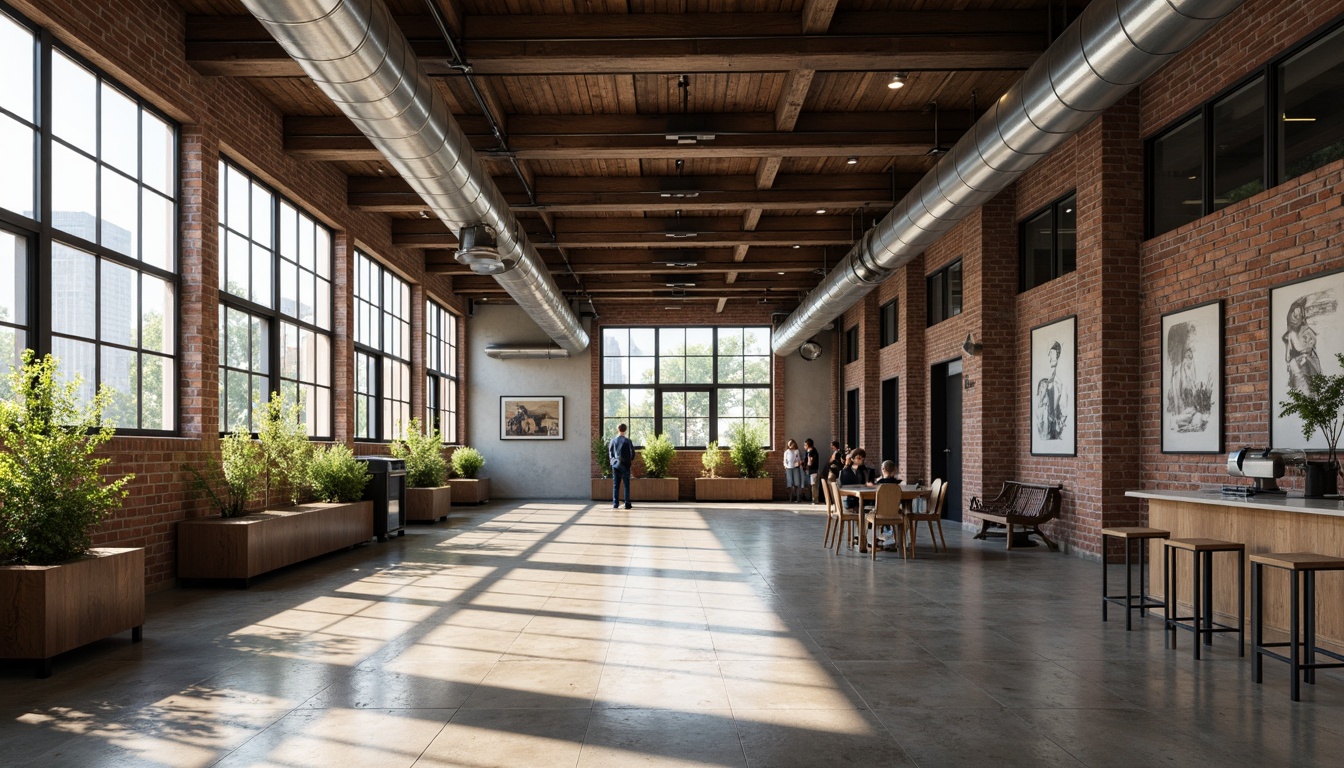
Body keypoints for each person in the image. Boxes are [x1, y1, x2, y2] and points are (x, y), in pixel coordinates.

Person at [1283, 295, 1322, 392]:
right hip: (1298, 368)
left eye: (1299, 315)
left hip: (1308, 366)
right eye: (1294, 315)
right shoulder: (1290, 335)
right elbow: (1288, 357)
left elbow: (1311, 347)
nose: (1296, 318)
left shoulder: (1307, 330)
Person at [1035, 341, 1068, 441]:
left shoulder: (1060, 381)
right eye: (1050, 354)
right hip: (1044, 428)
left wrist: (1059, 425)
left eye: (1053, 353)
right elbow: (1038, 407)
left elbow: (1063, 408)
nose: (1051, 357)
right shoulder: (1043, 382)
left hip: (1055, 430)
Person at [608, 423, 634, 510]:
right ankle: (627, 503)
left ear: (618, 429)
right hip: (626, 465)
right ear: (625, 430)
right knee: (626, 485)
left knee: (616, 485)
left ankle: (615, 504)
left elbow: (610, 453)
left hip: (615, 466)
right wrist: (629, 460)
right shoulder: (628, 441)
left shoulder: (613, 440)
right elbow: (632, 454)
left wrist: (613, 462)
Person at [782, 439, 804, 503]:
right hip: (788, 468)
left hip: (795, 467)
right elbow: (784, 460)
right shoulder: (786, 452)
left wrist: (798, 463)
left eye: (792, 445)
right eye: (790, 445)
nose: (791, 446)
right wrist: (785, 466)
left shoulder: (796, 451)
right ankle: (791, 498)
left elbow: (798, 458)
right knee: (789, 483)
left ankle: (798, 498)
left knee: (797, 483)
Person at [803, 438, 820, 504]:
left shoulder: (811, 452)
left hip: (813, 470)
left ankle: (815, 499)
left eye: (805, 445)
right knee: (813, 484)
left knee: (813, 485)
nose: (804, 446)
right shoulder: (812, 451)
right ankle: (813, 498)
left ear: (808, 445)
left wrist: (806, 465)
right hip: (813, 470)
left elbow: (810, 462)